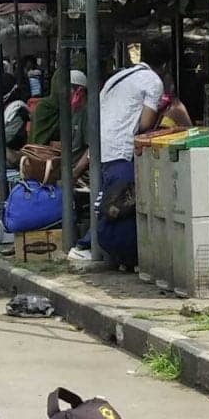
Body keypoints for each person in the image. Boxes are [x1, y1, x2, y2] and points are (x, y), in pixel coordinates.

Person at [73, 44, 165, 271]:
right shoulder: (153, 81)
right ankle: (87, 246)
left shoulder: (119, 77)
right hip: (122, 150)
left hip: (103, 148)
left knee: (109, 201)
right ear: (165, 66)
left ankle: (112, 254)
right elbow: (144, 124)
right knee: (118, 205)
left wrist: (77, 168)